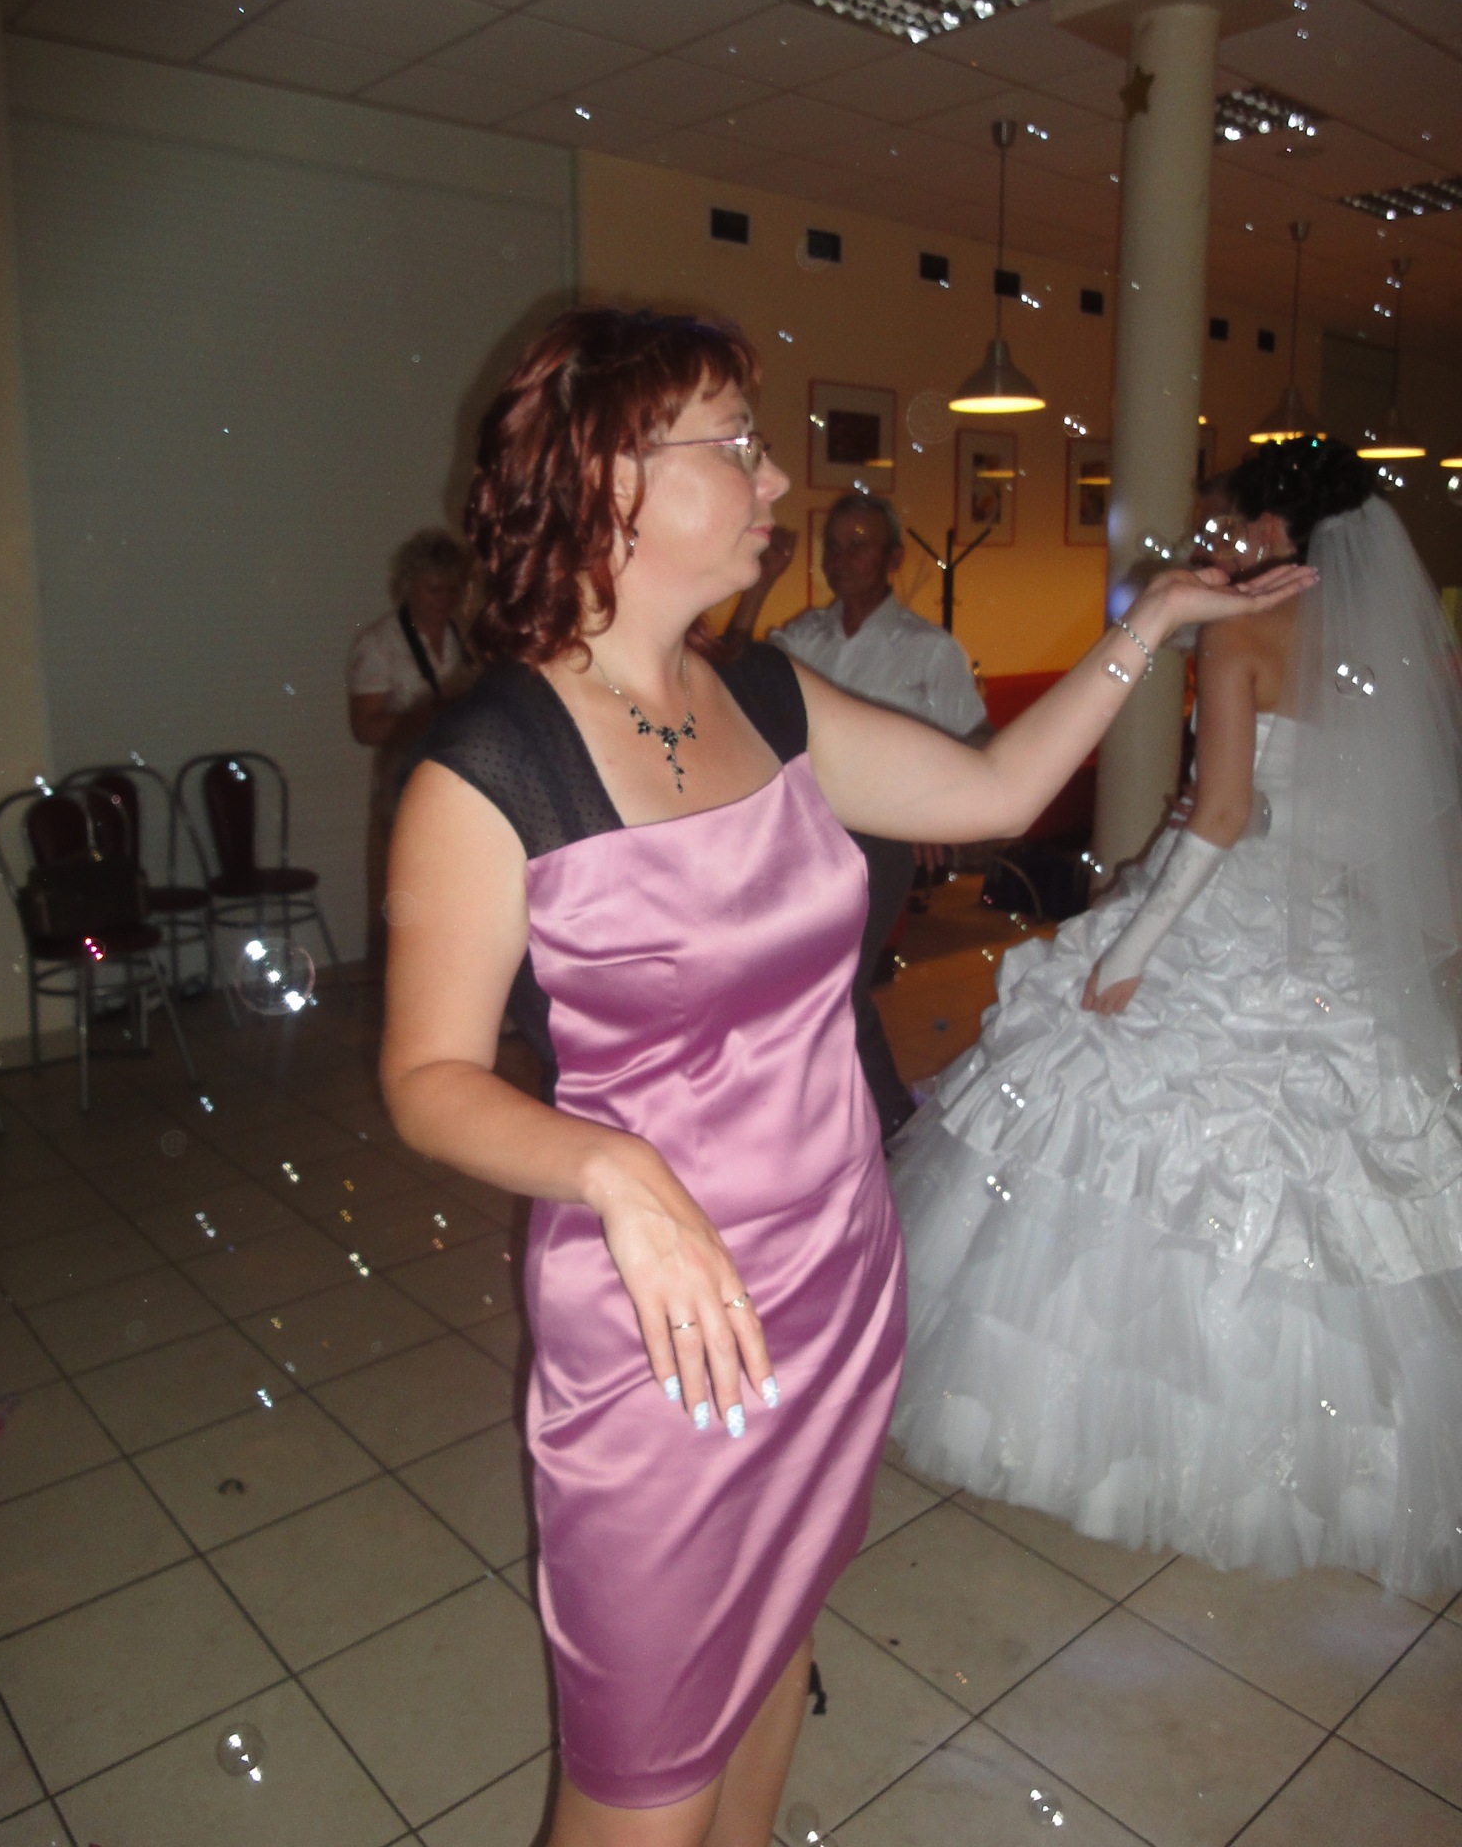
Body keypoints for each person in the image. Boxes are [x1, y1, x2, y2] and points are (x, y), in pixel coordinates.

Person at [378, 305, 1310, 1847]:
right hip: (662, 1326)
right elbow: (426, 1076)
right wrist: (614, 1167)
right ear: (611, 479)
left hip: (833, 1273)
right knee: (638, 1790)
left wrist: (1155, 619)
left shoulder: (763, 695)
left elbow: (997, 790)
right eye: (735, 448)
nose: (776, 484)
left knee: (767, 1684)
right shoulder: (492, 761)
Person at [891, 436, 1462, 1601]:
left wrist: (1135, 946)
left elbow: (1226, 812)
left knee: (1116, 1139)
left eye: (1235, 522)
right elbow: (1377, 805)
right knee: (1329, 1183)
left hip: (1223, 904)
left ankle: (1115, 1433)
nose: (1223, 542)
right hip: (1324, 920)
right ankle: (1312, 1462)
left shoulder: (1240, 630)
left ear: (1273, 530)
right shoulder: (1389, 645)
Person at [726, 493, 990, 1137]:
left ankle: (893, 1124)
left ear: (894, 558)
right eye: (835, 546)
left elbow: (975, 744)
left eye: (859, 545)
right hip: (792, 834)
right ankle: (820, 1120)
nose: (842, 559)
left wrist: (930, 814)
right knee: (789, 983)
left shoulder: (928, 649)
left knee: (838, 987)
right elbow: (728, 676)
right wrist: (758, 587)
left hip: (877, 840)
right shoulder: (802, 638)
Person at [347, 528, 474, 959]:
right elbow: (364, 729)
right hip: (402, 781)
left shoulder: (466, 638)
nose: (444, 600)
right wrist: (427, 716)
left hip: (461, 779)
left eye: (452, 590)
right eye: (433, 589)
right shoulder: (378, 645)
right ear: (407, 585)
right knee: (406, 900)